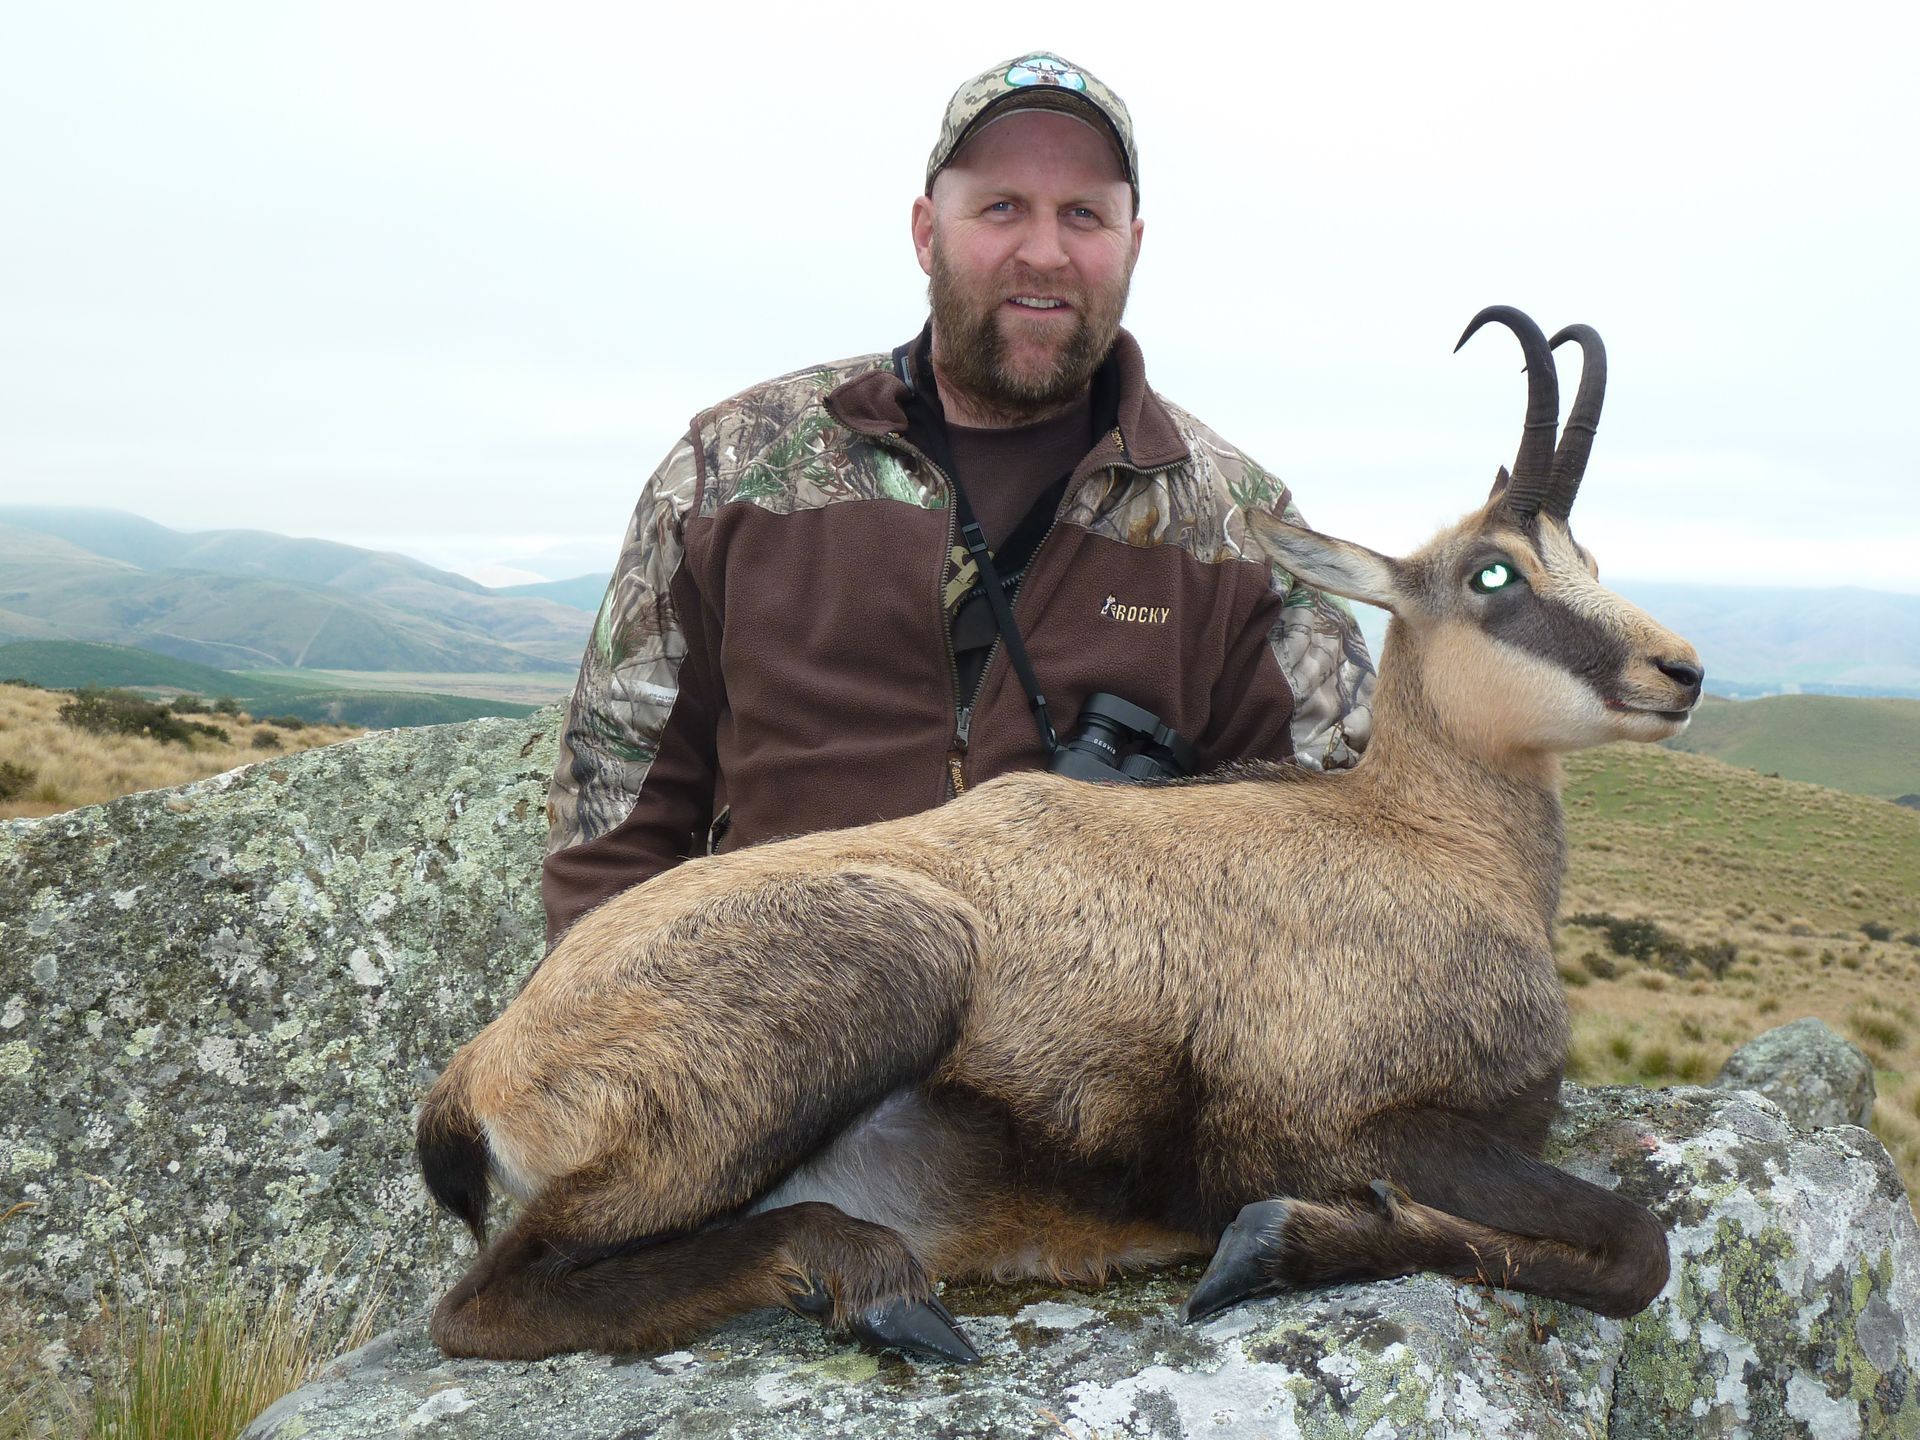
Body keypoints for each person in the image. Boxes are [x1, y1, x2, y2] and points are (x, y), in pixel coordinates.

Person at [542, 52, 1375, 943]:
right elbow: (617, 817)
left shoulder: (1238, 528)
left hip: (1095, 1068)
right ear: (925, 231)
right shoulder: (733, 469)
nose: (1045, 252)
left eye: (1084, 215)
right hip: (769, 1046)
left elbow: (1340, 851)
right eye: (1002, 206)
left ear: (1133, 246)